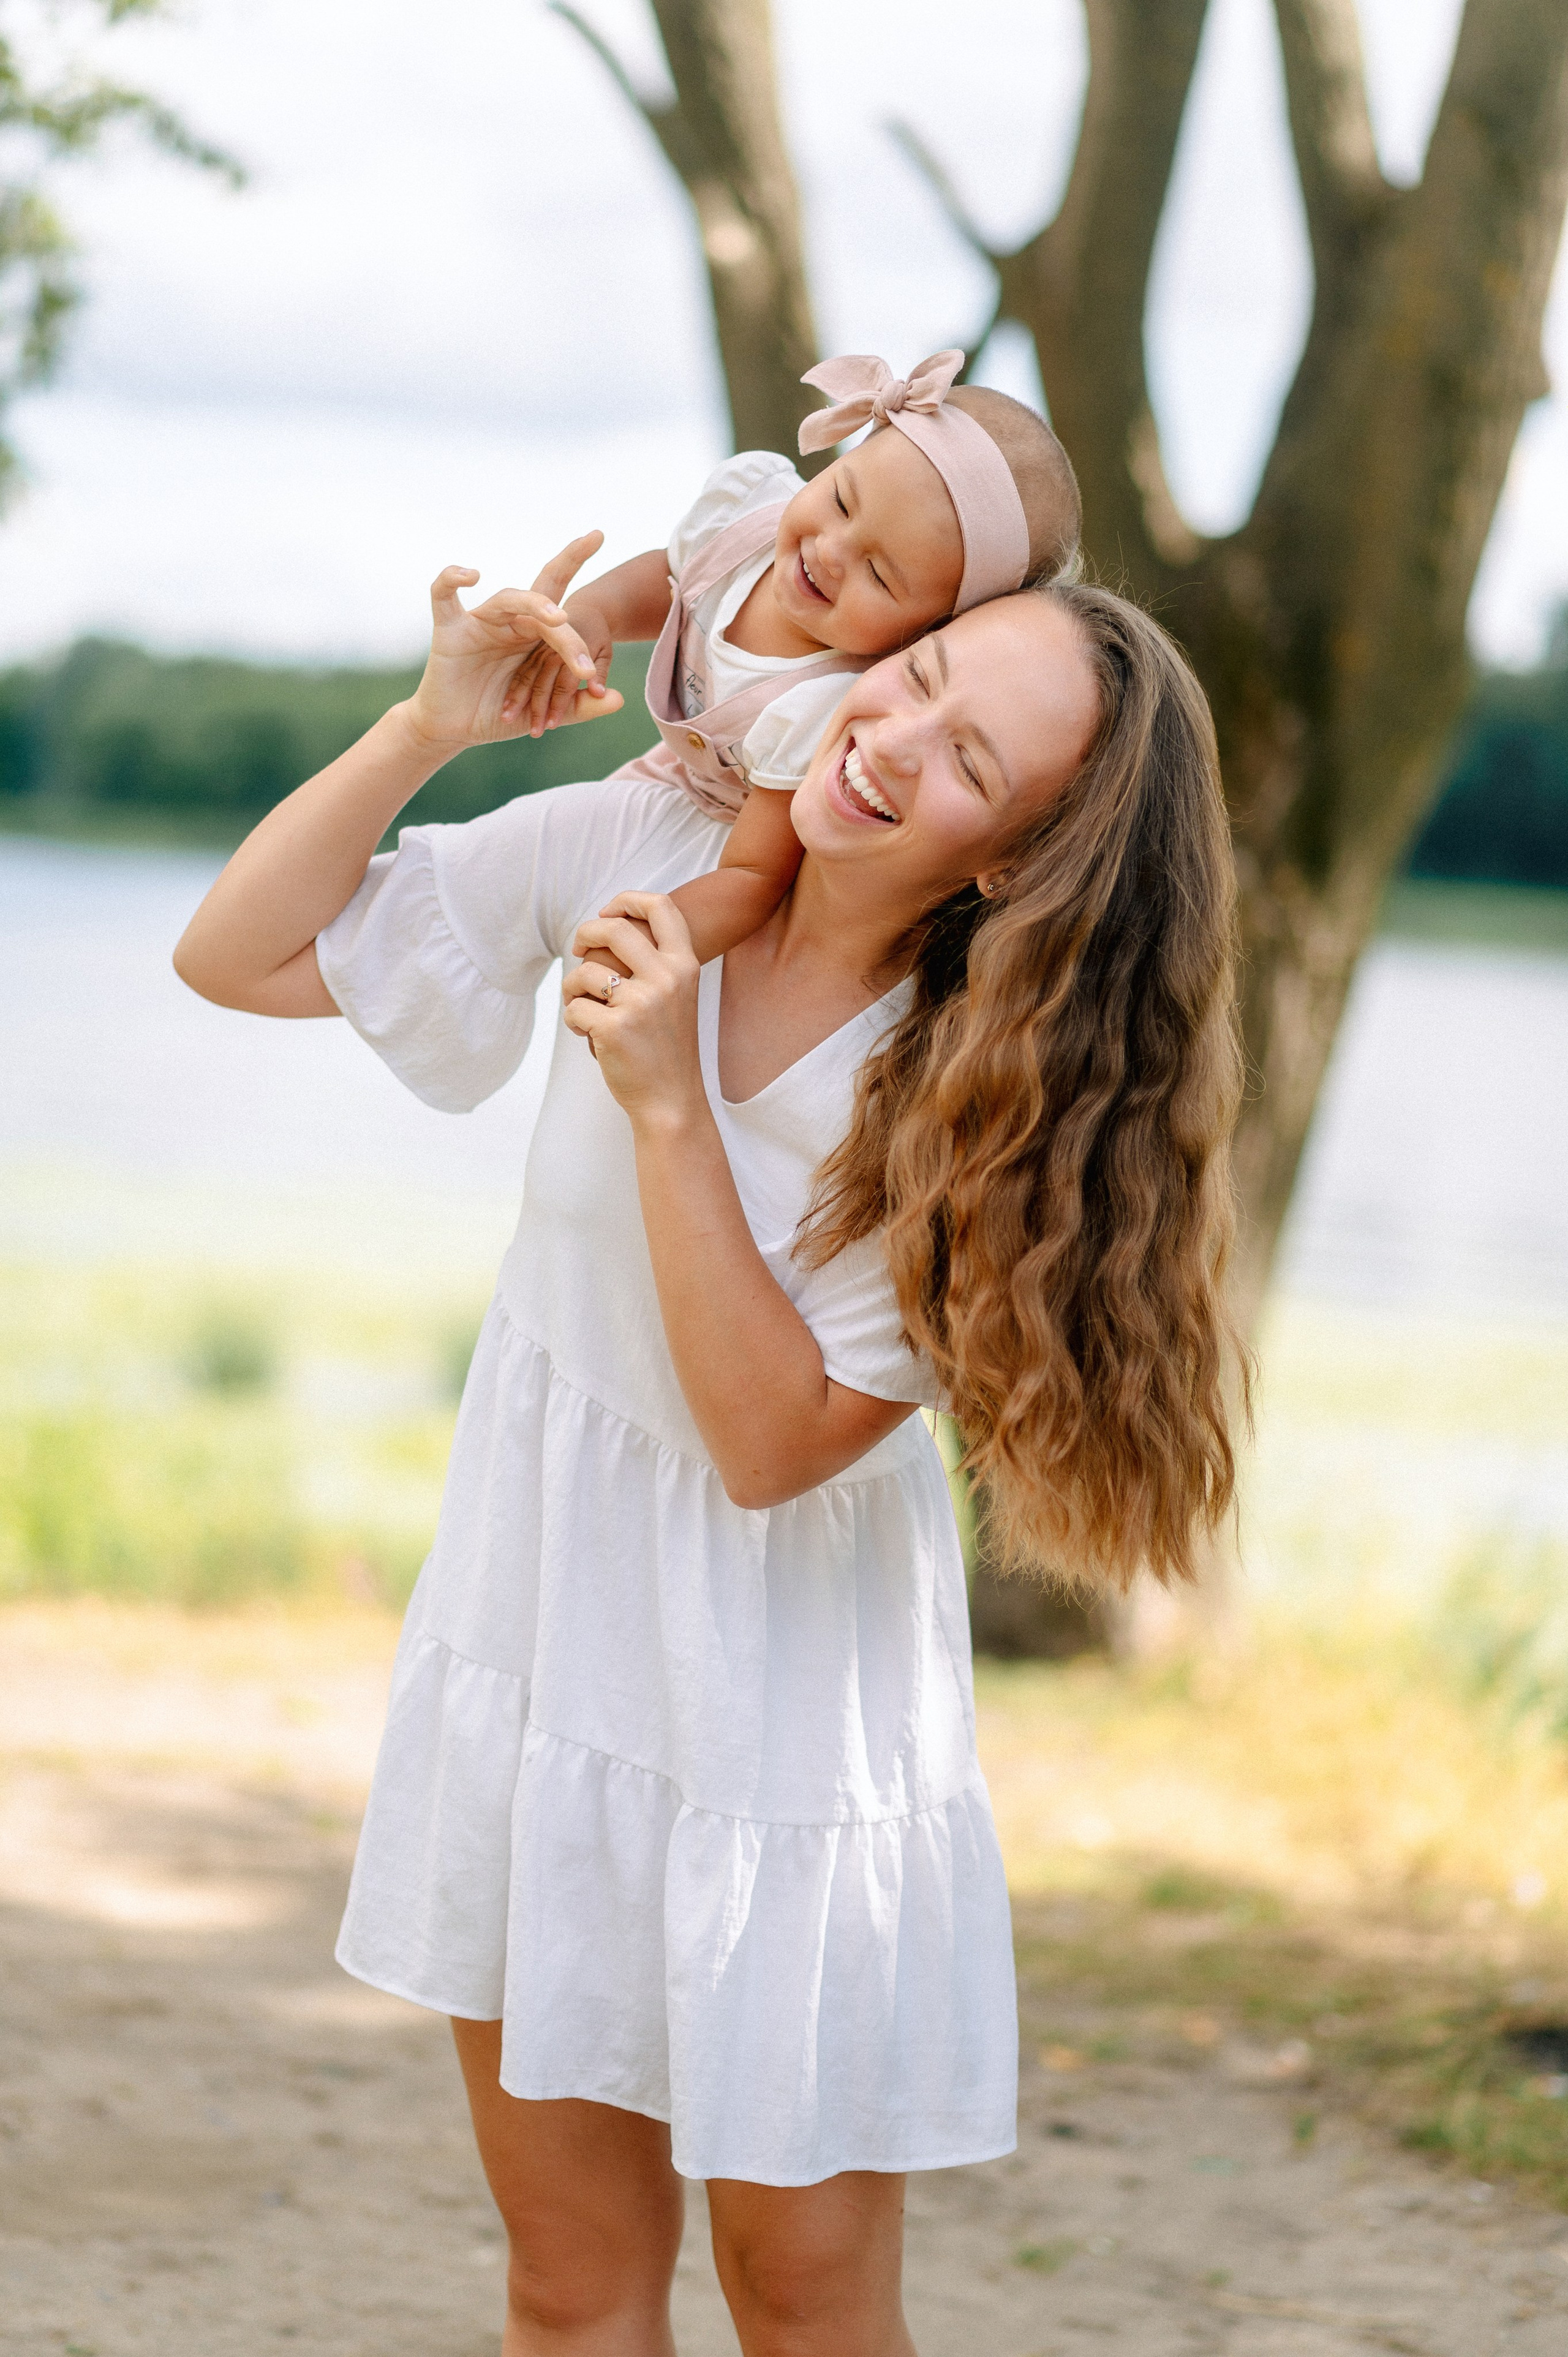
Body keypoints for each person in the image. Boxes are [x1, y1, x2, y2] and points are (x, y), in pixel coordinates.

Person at [173, 550, 1245, 2356]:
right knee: (566, 2281)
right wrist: (426, 726)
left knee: (801, 2297)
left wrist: (666, 1100)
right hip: (546, 1644)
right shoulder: (650, 841)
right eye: (919, 678)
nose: (890, 738)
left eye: (970, 761)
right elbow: (239, 953)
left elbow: (769, 1442)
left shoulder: (982, 1087)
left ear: (1018, 859)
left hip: (781, 1724)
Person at [501, 349, 1082, 964]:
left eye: (880, 574)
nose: (831, 551)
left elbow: (752, 878)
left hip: (721, 848)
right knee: (533, 866)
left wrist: (652, 942)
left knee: (587, 910)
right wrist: (599, 612)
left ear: (929, 631)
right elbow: (679, 577)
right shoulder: (749, 510)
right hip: (657, 776)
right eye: (841, 500)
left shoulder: (821, 704)